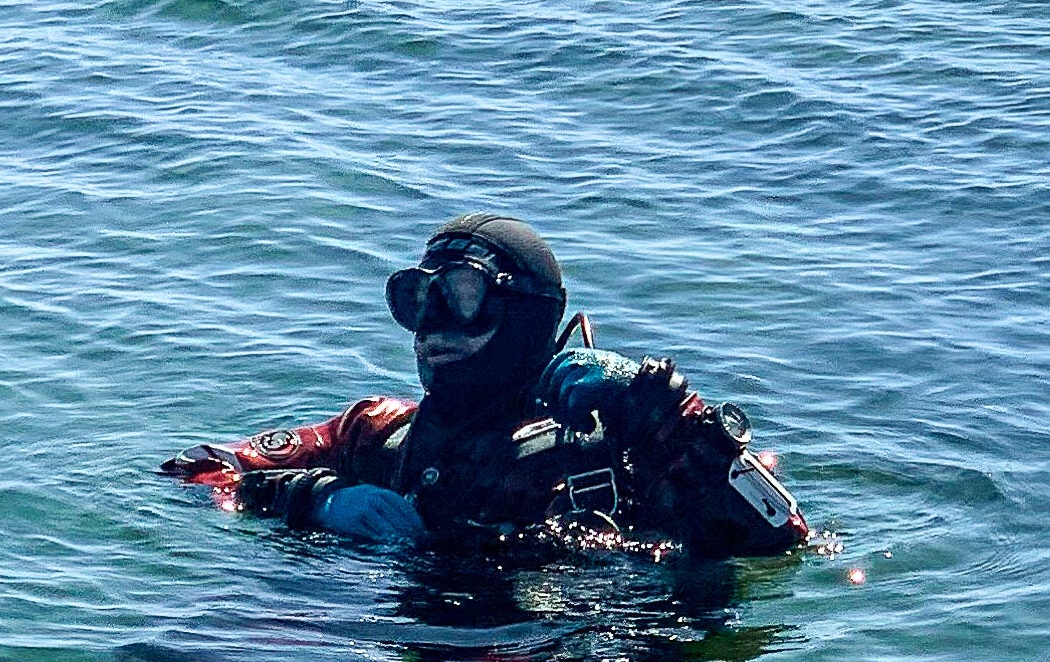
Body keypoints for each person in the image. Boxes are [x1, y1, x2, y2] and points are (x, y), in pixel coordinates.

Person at [162, 215, 809, 558]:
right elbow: (194, 471)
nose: (431, 325)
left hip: (541, 652)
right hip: (380, 633)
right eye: (420, 298)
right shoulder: (380, 430)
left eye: (461, 296)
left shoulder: (597, 453)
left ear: (524, 317)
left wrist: (663, 410)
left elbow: (780, 540)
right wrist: (316, 498)